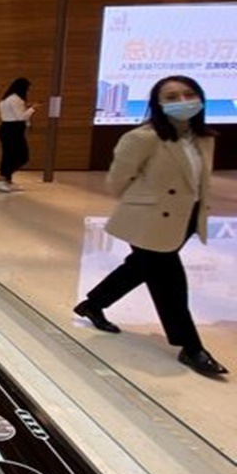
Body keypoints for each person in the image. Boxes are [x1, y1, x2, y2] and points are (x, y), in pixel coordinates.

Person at [74, 75, 227, 377]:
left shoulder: (203, 138)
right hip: (149, 221)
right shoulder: (143, 138)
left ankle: (93, 304)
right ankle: (192, 347)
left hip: (185, 219)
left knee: (141, 268)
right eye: (171, 97)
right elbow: (116, 181)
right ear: (157, 104)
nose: (182, 101)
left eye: (188, 94)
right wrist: (148, 199)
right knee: (171, 284)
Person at [0, 78, 39, 192]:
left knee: (9, 155)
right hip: (13, 130)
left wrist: (27, 118)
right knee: (22, 156)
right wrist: (32, 109)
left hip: (7, 129)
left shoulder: (6, 99)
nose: (27, 91)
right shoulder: (15, 99)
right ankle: (2, 177)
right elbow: (20, 117)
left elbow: (16, 114)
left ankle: (6, 179)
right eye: (27, 89)